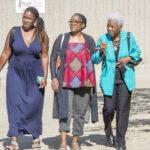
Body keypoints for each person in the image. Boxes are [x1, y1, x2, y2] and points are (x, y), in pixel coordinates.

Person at [0, 7, 49, 150]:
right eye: (24, 17)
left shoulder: (42, 35)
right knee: (14, 105)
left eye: (29, 18)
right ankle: (14, 140)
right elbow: (5, 54)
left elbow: (44, 56)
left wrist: (45, 76)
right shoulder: (14, 32)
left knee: (35, 105)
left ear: (35, 20)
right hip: (15, 74)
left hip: (36, 75)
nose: (25, 20)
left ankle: (35, 137)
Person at [92, 11, 141, 150]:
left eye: (112, 26)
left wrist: (128, 58)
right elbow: (95, 59)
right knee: (109, 108)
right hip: (109, 79)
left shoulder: (128, 37)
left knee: (123, 110)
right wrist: (101, 51)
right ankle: (108, 133)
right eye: (108, 26)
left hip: (125, 79)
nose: (109, 29)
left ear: (120, 27)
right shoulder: (103, 38)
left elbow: (137, 53)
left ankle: (121, 141)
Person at [50, 13, 98, 150]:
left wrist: (101, 53)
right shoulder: (62, 38)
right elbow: (53, 58)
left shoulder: (89, 40)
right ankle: (63, 142)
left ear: (83, 24)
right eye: (71, 21)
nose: (72, 23)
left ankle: (75, 140)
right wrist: (53, 77)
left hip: (85, 82)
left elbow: (95, 59)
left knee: (80, 111)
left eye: (76, 21)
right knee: (64, 110)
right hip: (65, 82)